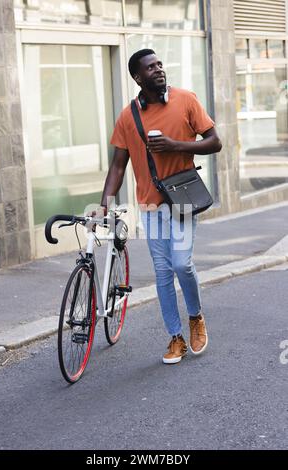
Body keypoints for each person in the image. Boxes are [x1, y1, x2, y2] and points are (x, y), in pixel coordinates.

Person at [94, 49, 222, 364]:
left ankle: (196, 316)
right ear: (138, 78)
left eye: (160, 64)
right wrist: (104, 205)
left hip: (182, 201)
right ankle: (175, 336)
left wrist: (176, 145)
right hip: (150, 207)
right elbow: (118, 167)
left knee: (181, 264)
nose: (159, 69)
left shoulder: (186, 100)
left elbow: (215, 141)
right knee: (162, 273)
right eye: (150, 68)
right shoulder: (128, 116)